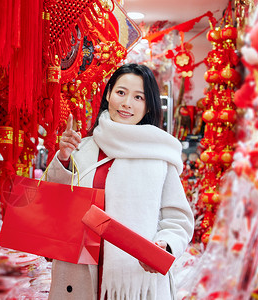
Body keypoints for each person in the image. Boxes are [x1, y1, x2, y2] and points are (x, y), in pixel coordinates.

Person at [45, 63, 194, 299]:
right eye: (121, 93)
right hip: (79, 275)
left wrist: (164, 245)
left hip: (136, 278)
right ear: (108, 94)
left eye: (138, 97)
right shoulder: (82, 148)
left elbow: (178, 219)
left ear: (148, 106)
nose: (127, 103)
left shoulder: (159, 155)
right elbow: (53, 205)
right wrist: (63, 158)